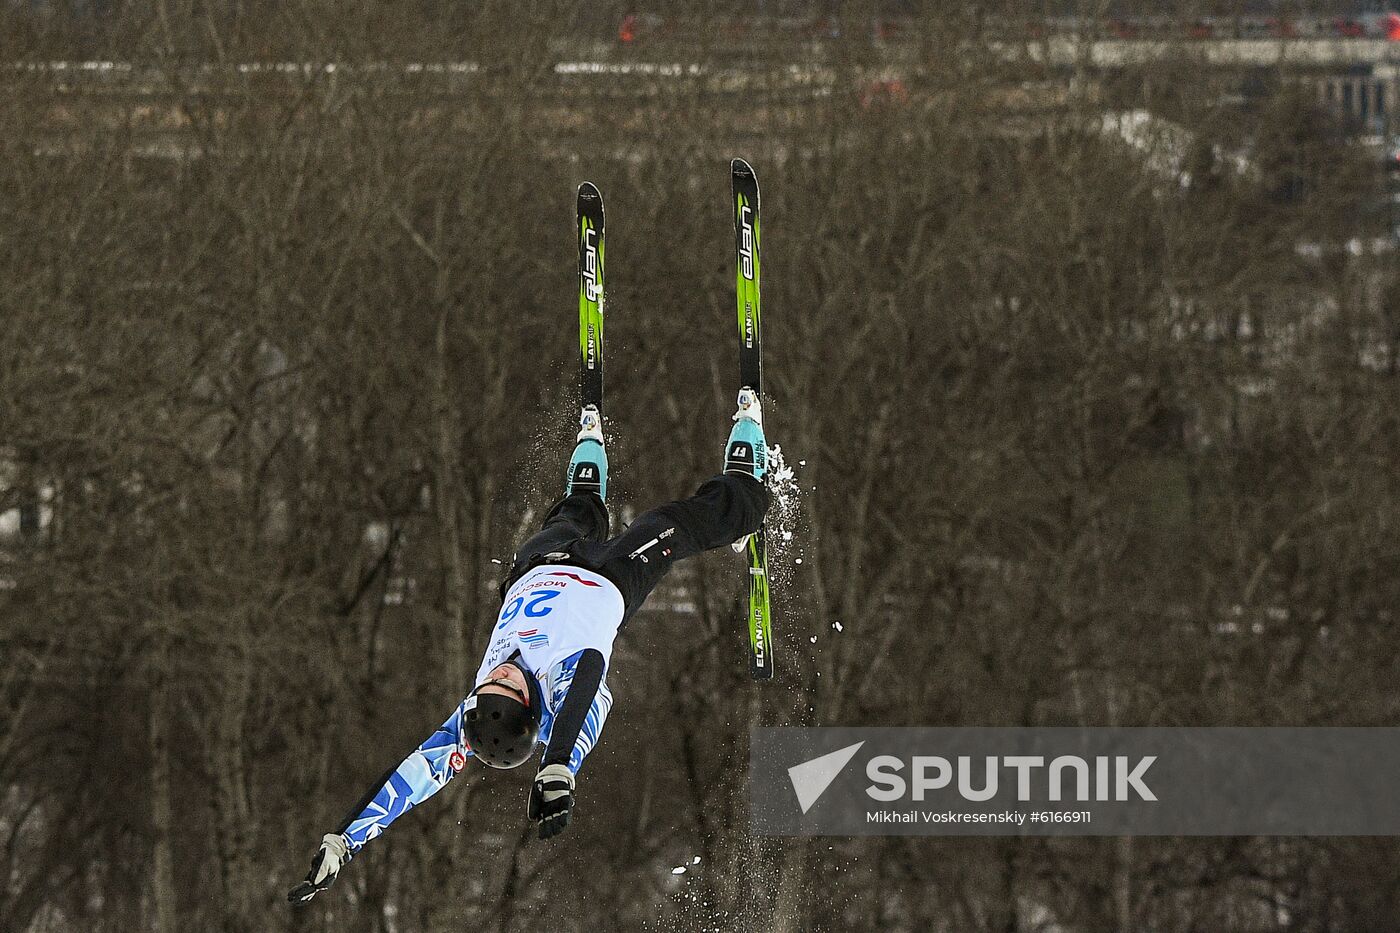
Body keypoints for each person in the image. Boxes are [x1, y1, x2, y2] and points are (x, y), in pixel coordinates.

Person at [287, 390, 769, 903]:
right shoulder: (564, 689)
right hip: (611, 578)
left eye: (488, 685)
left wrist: (346, 839)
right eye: (507, 686)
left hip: (538, 566)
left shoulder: (474, 719)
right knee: (673, 523)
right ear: (528, 705)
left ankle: (587, 456)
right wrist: (558, 766)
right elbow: (585, 689)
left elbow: (412, 779)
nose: (498, 675)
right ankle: (745, 489)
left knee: (572, 515)